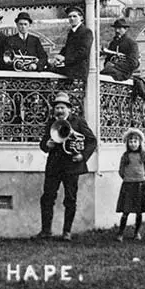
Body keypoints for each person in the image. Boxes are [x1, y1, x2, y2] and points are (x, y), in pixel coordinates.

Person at [35, 91, 97, 241]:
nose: (60, 111)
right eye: (57, 108)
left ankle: (67, 232)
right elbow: (43, 144)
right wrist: (47, 144)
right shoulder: (51, 123)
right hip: (54, 166)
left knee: (70, 199)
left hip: (71, 166)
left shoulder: (78, 122)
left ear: (69, 109)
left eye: (63, 108)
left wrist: (82, 156)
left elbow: (91, 141)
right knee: (47, 198)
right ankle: (46, 231)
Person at [115, 128, 145, 242]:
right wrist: (127, 178)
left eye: (135, 141)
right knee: (125, 211)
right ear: (127, 143)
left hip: (140, 185)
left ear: (140, 143)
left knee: (139, 211)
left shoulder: (143, 155)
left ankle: (137, 232)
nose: (133, 144)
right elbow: (121, 171)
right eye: (130, 141)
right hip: (128, 185)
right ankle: (120, 233)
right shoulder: (125, 156)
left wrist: (142, 179)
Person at [51, 6, 93, 81]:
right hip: (70, 67)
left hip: (79, 70)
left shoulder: (86, 32)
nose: (72, 19)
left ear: (81, 18)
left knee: (51, 70)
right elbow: (66, 48)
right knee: (49, 68)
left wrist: (65, 59)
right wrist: (58, 57)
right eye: (70, 17)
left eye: (74, 16)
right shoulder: (72, 32)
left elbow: (83, 53)